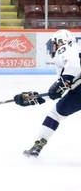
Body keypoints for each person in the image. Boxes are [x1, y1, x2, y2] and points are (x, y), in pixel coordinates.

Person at [14, 29, 81, 158]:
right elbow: (60, 90)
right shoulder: (75, 52)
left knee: (55, 115)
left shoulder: (66, 48)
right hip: (78, 91)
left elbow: (73, 69)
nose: (52, 47)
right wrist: (36, 98)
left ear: (61, 42)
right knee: (57, 112)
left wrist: (63, 81)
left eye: (54, 43)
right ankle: (36, 147)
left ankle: (37, 146)